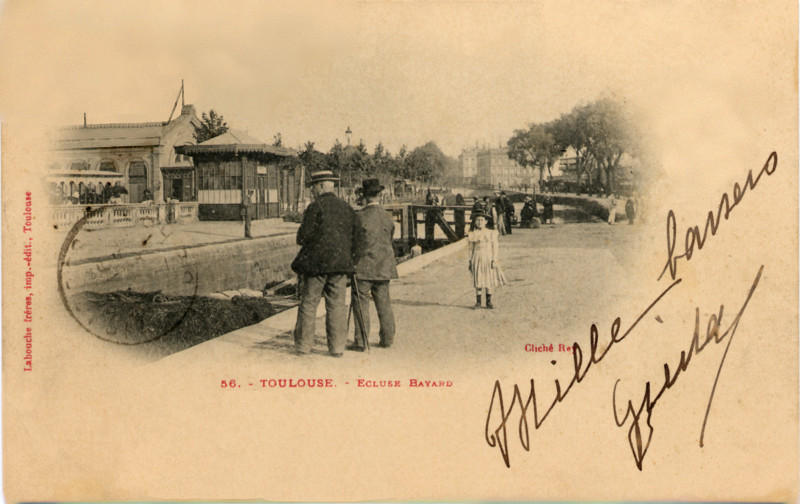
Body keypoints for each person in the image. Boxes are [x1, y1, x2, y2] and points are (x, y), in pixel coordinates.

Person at [291, 170, 357, 357]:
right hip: (340, 267)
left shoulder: (315, 207)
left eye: (313, 186)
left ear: (320, 186)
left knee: (309, 304)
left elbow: (303, 237)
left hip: (316, 267)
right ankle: (337, 348)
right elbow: (358, 238)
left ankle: (304, 346)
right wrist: (351, 260)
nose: (311, 190)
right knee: (337, 305)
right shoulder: (347, 208)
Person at [348, 179, 398, 351]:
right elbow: (390, 239)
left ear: (364, 195)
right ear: (380, 194)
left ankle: (361, 341)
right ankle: (387, 338)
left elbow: (354, 243)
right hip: (384, 266)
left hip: (363, 267)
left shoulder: (359, 217)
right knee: (384, 302)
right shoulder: (387, 216)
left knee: (361, 303)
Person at [468, 211, 506, 309]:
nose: (479, 222)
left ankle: (489, 302)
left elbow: (495, 247)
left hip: (488, 257)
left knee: (489, 278)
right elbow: (471, 248)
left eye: (481, 220)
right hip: (477, 257)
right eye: (477, 220)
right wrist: (470, 260)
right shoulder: (473, 234)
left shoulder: (491, 233)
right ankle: (478, 302)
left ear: (486, 222)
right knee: (478, 278)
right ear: (475, 222)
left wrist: (494, 259)